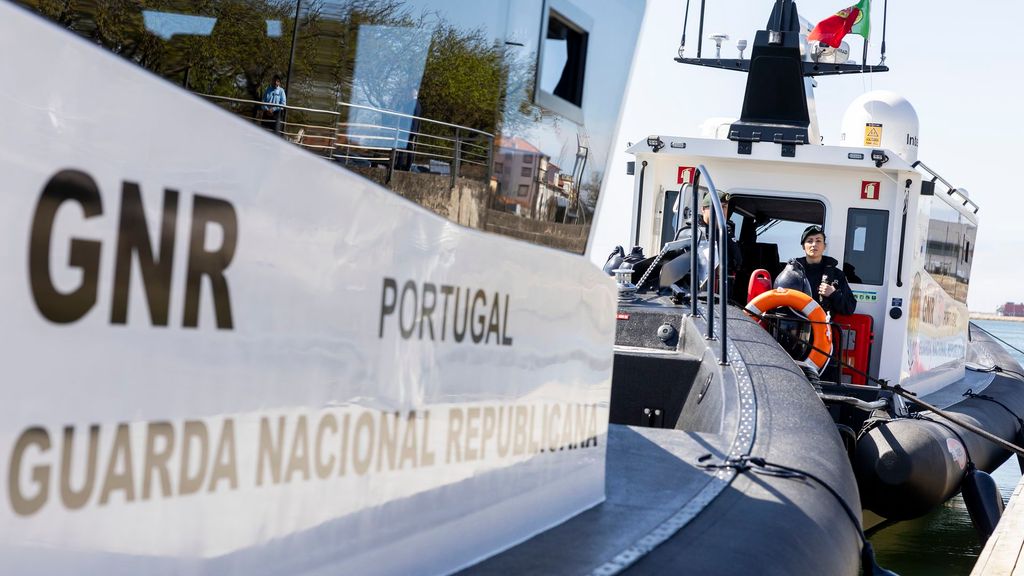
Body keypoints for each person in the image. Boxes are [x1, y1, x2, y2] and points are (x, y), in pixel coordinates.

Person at [795, 224, 856, 315]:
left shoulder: (837, 275)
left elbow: (849, 308)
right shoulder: (793, 272)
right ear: (803, 246)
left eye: (818, 241)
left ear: (824, 246)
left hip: (822, 327)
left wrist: (833, 294)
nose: (814, 244)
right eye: (809, 241)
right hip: (794, 326)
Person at [699, 188, 742, 299]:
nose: (721, 211)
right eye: (716, 207)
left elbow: (737, 262)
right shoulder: (692, 233)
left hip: (725, 301)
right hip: (700, 300)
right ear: (703, 209)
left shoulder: (727, 232)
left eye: (724, 207)